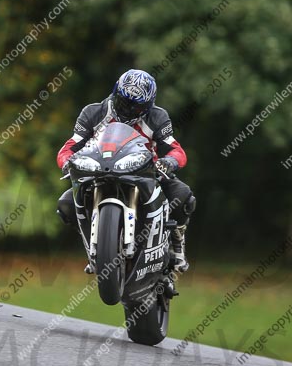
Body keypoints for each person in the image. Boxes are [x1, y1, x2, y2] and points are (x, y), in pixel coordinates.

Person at [56, 69, 196, 273]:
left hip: (147, 172)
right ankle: (96, 245)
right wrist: (67, 162)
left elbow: (176, 149)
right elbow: (70, 146)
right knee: (66, 205)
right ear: (116, 94)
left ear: (148, 105)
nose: (129, 109)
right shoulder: (93, 112)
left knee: (183, 196)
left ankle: (177, 244)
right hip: (100, 170)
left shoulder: (158, 117)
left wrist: (169, 162)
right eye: (125, 102)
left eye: (137, 107)